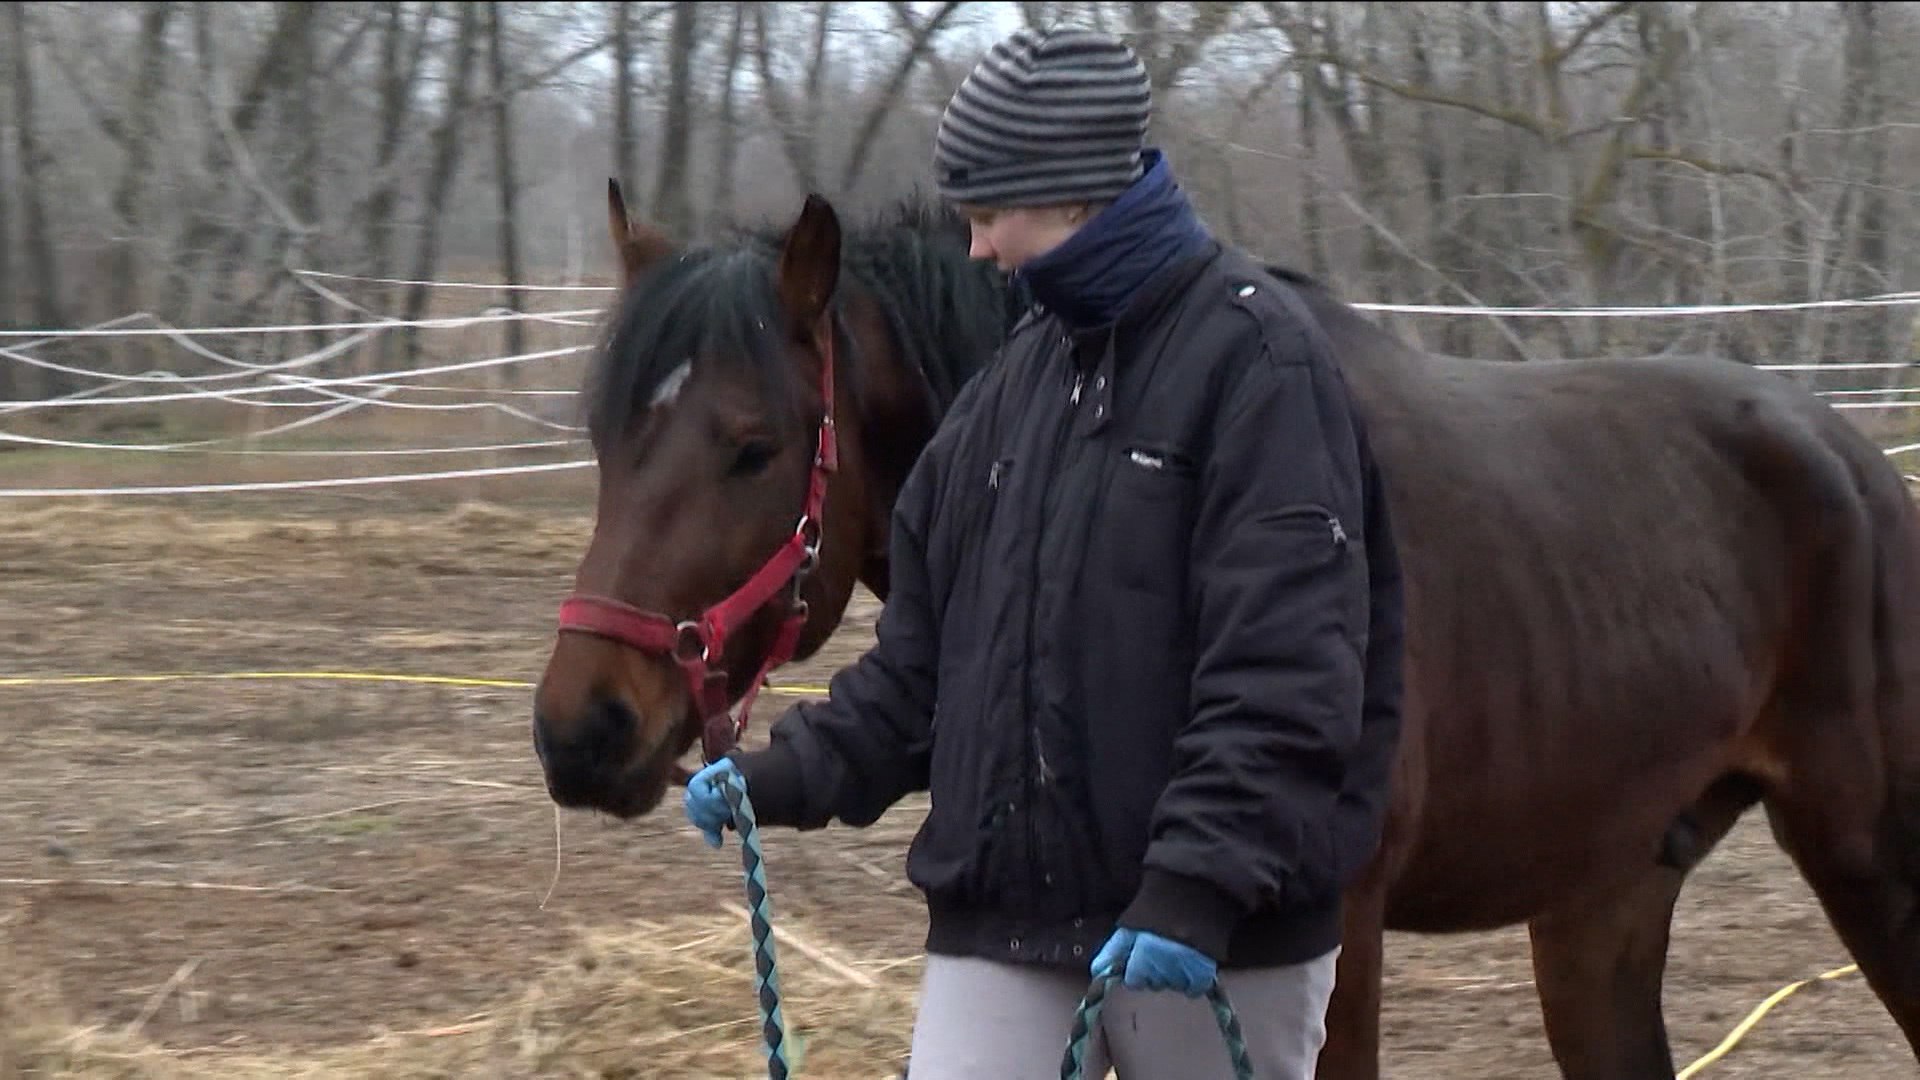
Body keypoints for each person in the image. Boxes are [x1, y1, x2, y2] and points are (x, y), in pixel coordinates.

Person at [685, 25, 1406, 1080]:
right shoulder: (1011, 388)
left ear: (1073, 196)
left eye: (989, 216)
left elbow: (1289, 673)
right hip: (1006, 919)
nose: (976, 249)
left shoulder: (1259, 365)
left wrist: (1195, 887)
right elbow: (924, 668)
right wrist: (784, 775)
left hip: (1210, 934)